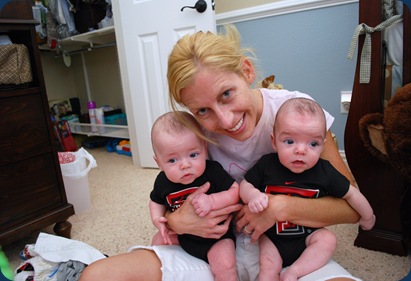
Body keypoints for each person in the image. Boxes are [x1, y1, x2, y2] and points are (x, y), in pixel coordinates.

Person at [79, 25, 361, 281]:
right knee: (97, 276)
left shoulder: (296, 115)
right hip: (211, 250)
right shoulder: (193, 134)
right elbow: (168, 196)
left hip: (290, 251)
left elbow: (350, 209)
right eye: (202, 110)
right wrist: (177, 221)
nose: (226, 122)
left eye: (226, 93)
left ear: (247, 71)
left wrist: (279, 207)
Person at [240, 97, 375, 281]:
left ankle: (294, 272)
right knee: (268, 264)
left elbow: (351, 193)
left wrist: (368, 216)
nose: (301, 150)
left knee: (328, 240)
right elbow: (245, 184)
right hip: (272, 237)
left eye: (313, 144)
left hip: (309, 236)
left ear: (322, 146)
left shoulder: (325, 171)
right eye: (289, 141)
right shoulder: (267, 165)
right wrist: (253, 195)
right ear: (274, 141)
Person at [149, 111, 239, 281]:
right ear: (158, 163)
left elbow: (236, 191)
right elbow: (155, 201)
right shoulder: (162, 181)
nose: (185, 165)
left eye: (193, 155)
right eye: (172, 160)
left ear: (205, 150)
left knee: (225, 266)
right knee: (156, 245)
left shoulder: (212, 172)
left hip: (216, 237)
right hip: (182, 235)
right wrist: (157, 219)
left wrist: (212, 201)